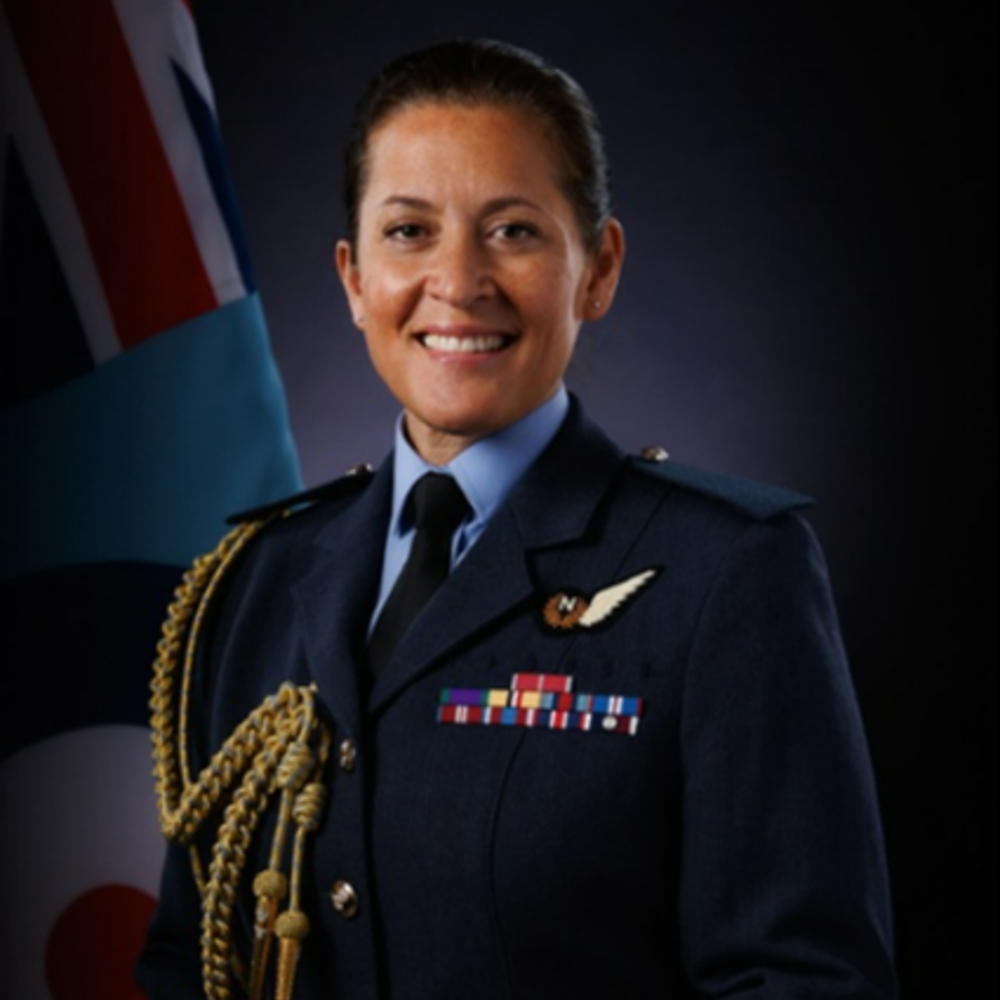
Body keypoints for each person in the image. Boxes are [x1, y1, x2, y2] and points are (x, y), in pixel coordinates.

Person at [137, 38, 898, 1000]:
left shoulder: (727, 575)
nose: (459, 282)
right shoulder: (249, 585)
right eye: (409, 231)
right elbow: (186, 963)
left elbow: (801, 982)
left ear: (599, 268)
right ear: (352, 279)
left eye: (513, 231)